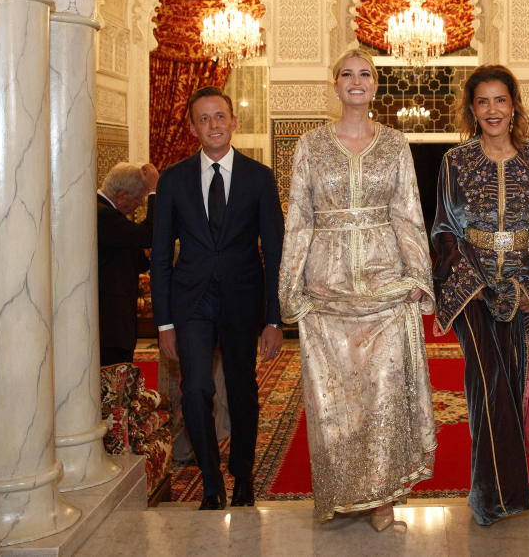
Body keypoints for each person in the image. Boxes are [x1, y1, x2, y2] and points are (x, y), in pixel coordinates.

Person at [278, 49, 436, 531]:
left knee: (383, 394)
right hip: (325, 292)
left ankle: (382, 496)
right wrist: (293, 286)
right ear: (335, 83)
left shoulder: (395, 143)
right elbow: (299, 219)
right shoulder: (308, 145)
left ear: (374, 85)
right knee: (334, 399)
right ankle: (341, 491)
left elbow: (408, 211)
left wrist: (416, 276)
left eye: (364, 73)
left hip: (385, 286)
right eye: (346, 73)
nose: (356, 81)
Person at [431, 65, 529, 526]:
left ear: (514, 106)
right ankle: (492, 499)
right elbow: (445, 231)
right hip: (472, 286)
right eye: (483, 101)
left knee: (508, 384)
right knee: (487, 380)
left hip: (526, 284)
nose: (492, 110)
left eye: (500, 100)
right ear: (472, 109)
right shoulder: (455, 162)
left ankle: (502, 493)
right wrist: (474, 281)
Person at [151, 86, 285, 510]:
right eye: (204, 119)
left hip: (243, 300)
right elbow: (159, 258)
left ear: (233, 122)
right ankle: (211, 483)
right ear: (193, 128)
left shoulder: (259, 177)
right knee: (195, 390)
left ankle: (241, 475)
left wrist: (275, 319)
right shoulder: (172, 179)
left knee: (243, 391)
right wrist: (164, 323)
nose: (213, 125)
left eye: (220, 116)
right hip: (191, 304)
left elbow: (276, 251)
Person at [97, 162, 159, 366]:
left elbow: (136, 258)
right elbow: (149, 235)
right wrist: (154, 192)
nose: (140, 204)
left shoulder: (109, 215)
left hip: (115, 325)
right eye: (139, 198)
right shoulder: (103, 215)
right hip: (110, 326)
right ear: (122, 195)